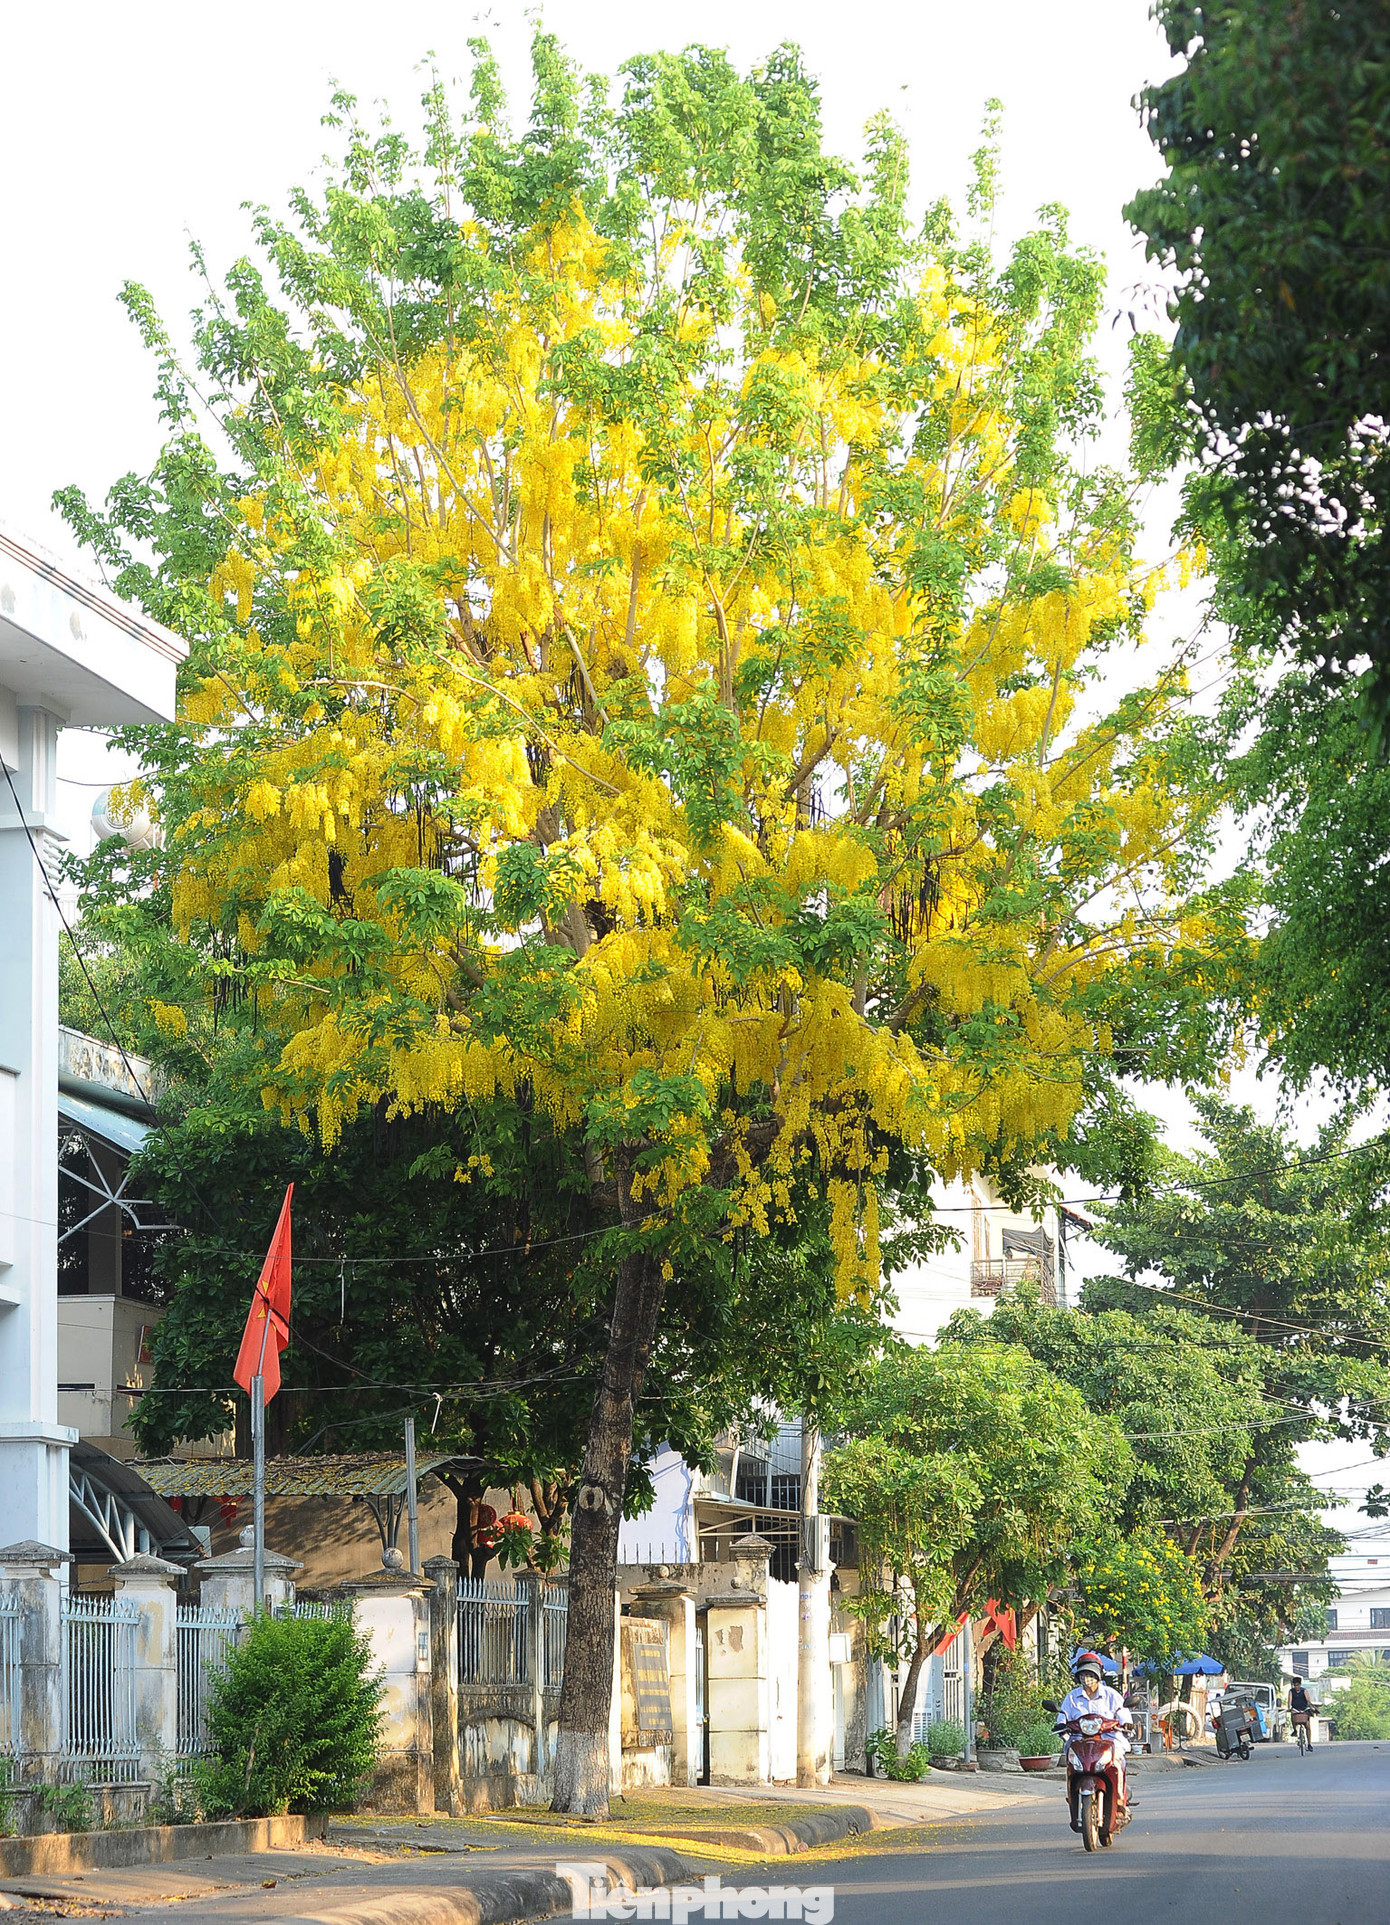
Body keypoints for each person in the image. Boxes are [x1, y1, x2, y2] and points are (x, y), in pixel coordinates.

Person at [1056, 1653, 1135, 1816]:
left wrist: (1126, 1722)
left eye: (1091, 1674)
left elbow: (1123, 1713)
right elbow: (1062, 1716)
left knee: (1118, 1761)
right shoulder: (1071, 1698)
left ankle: (1120, 1800)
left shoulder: (1111, 1695)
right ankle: (1072, 1794)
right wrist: (1061, 1725)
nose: (1087, 1679)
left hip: (1109, 1740)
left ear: (1099, 1674)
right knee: (1071, 1763)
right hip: (1079, 1742)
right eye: (1084, 1675)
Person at [1289, 1677, 1312, 1745]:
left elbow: (1308, 1700)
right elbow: (1289, 1701)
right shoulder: (1291, 1691)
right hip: (1295, 1709)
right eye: (1295, 1685)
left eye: (1298, 1685)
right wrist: (1289, 1708)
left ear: (1300, 1684)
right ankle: (1295, 1730)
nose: (1296, 1687)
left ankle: (1309, 1743)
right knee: (1292, 1716)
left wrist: (1311, 1707)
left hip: (1304, 1709)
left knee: (1308, 1726)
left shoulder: (1304, 1691)